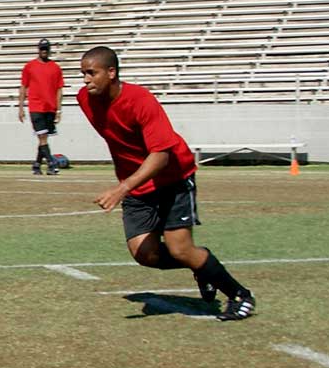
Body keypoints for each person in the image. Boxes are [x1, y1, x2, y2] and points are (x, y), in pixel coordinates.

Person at [77, 46, 255, 321]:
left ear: (111, 73)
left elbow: (161, 155)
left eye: (92, 73)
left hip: (173, 177)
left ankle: (240, 295)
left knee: (180, 249)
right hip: (137, 183)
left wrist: (123, 188)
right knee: (144, 254)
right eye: (83, 74)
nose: (86, 80)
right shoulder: (85, 100)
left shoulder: (141, 100)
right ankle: (202, 265)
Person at [18, 38, 64, 175]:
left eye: (46, 49)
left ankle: (37, 165)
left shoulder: (55, 68)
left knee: (43, 137)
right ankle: (51, 163)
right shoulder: (30, 66)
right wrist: (21, 107)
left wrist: (59, 109)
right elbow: (23, 87)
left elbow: (59, 89)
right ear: (38, 49)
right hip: (36, 106)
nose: (44, 51)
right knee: (42, 136)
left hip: (50, 107)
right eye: (42, 49)